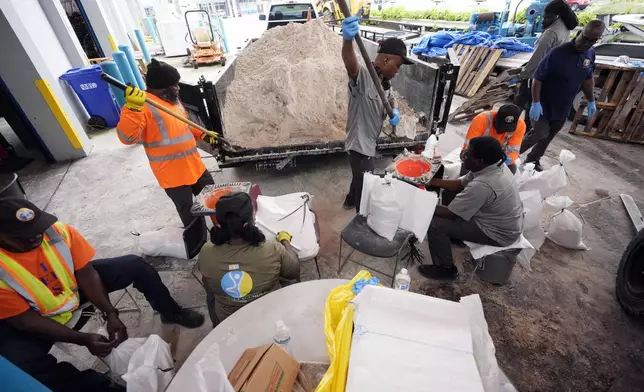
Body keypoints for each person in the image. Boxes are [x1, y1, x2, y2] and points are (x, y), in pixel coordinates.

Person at [0, 198, 204, 392]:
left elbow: (86, 273)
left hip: (71, 289)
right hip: (32, 317)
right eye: (25, 235)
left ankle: (170, 311)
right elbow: (24, 320)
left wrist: (110, 313)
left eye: (37, 228)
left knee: (135, 265)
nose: (37, 236)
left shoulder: (56, 232)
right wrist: (82, 339)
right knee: (24, 369)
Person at [116, 58, 217, 227]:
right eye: (174, 85)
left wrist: (203, 135)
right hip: (173, 175)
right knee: (190, 213)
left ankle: (226, 232)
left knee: (215, 200)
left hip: (195, 166)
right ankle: (199, 245)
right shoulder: (140, 106)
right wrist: (132, 110)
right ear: (160, 88)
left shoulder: (172, 101)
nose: (178, 88)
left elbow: (184, 125)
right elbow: (127, 139)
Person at [419, 137, 523, 280]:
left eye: (468, 154)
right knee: (450, 194)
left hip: (497, 233)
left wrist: (420, 202)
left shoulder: (483, 184)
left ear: (479, 161)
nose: (464, 156)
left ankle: (446, 269)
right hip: (502, 221)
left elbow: (450, 213)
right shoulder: (493, 165)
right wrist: (431, 181)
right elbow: (460, 183)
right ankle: (456, 236)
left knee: (435, 223)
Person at [341, 15, 413, 212]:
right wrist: (347, 39)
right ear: (386, 58)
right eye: (398, 65)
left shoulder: (384, 82)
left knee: (360, 176)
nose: (398, 70)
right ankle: (360, 218)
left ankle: (348, 199)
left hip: (370, 141)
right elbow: (351, 65)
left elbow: (391, 97)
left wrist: (395, 109)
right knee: (366, 187)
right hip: (359, 145)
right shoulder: (364, 76)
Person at [198, 192, 300, 326]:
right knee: (290, 281)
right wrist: (285, 241)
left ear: (218, 223)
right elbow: (294, 271)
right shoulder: (272, 249)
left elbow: (208, 284)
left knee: (210, 294)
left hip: (228, 322)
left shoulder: (206, 251)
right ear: (251, 219)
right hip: (269, 316)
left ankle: (215, 326)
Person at [521, 20, 604, 172]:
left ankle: (533, 159)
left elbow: (587, 79)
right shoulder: (559, 53)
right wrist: (535, 102)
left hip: (563, 106)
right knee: (540, 132)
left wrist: (591, 100)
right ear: (580, 33)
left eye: (592, 41)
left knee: (549, 135)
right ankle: (507, 156)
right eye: (585, 38)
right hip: (543, 103)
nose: (586, 43)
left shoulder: (590, 53)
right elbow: (537, 78)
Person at [515, 0, 578, 131]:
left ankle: (510, 132)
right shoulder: (565, 27)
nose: (544, 20)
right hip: (549, 75)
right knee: (532, 110)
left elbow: (538, 57)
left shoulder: (551, 33)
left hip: (536, 75)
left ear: (558, 15)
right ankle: (525, 133)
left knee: (518, 106)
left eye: (547, 17)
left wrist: (524, 74)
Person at [462, 104, 526, 174]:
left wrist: (505, 161)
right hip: (478, 155)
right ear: (496, 117)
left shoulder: (520, 126)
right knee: (467, 165)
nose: (502, 131)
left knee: (512, 169)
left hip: (497, 158)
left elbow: (514, 151)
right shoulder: (481, 119)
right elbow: (469, 147)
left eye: (507, 129)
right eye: (501, 126)